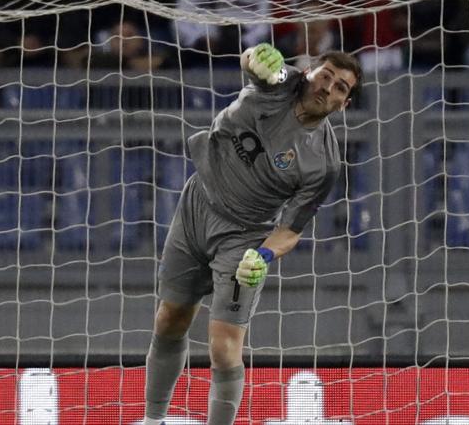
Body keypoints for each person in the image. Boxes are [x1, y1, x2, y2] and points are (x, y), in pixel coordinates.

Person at [141, 44, 362, 425]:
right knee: (169, 320)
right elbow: (255, 63)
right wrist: (253, 55)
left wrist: (262, 256)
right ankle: (152, 420)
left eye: (341, 87)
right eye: (326, 75)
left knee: (224, 349)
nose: (329, 87)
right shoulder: (281, 83)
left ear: (343, 104)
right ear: (309, 73)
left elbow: (290, 231)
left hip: (243, 238)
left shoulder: (323, 164)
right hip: (197, 206)